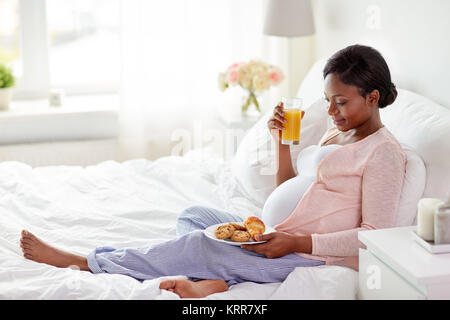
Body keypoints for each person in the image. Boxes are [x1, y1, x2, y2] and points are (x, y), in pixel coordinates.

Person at [19, 44, 406, 298]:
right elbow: (290, 189)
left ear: (372, 98)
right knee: (195, 216)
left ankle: (87, 261)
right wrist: (281, 144)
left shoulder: (384, 154)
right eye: (327, 101)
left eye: (341, 102)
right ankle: (220, 281)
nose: (332, 112)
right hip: (277, 233)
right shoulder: (338, 134)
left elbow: (377, 236)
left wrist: (298, 244)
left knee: (198, 243)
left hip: (311, 255)